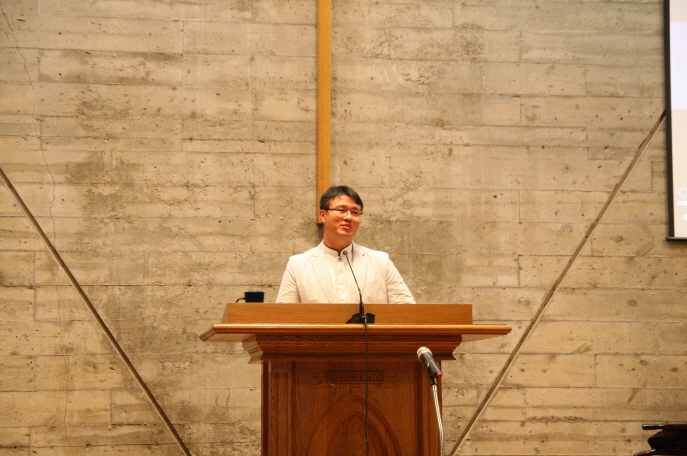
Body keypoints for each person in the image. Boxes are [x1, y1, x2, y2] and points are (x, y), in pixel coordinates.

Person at [276, 186, 415, 304]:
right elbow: (284, 316)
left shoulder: (380, 261)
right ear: (323, 215)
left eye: (355, 212)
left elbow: (407, 309)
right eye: (341, 210)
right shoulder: (298, 265)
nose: (348, 217)